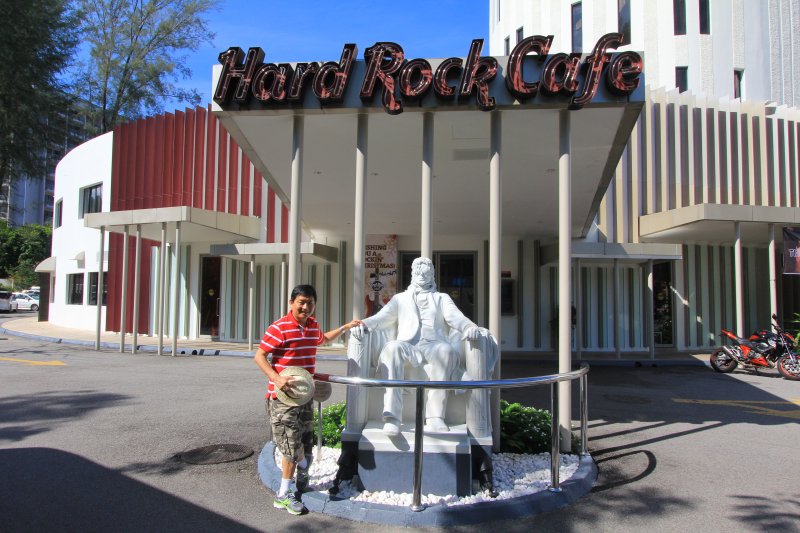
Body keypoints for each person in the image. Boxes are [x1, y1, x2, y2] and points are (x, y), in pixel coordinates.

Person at [351, 257, 490, 436]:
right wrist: (363, 324)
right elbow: (381, 318)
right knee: (392, 349)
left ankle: (435, 416)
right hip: (407, 345)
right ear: (412, 275)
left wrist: (470, 327)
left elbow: (456, 318)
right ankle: (392, 417)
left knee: (446, 351)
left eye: (426, 273)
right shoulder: (400, 299)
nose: (422, 276)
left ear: (432, 274)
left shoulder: (442, 298)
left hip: (434, 345)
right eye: (418, 273)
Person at [254, 284, 361, 515]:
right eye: (301, 302)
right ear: (291, 303)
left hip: (304, 397)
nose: (305, 307)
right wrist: (276, 378)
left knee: (305, 441)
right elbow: (259, 355)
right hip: (282, 399)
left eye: (310, 303)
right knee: (291, 448)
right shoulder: (279, 328)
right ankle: (283, 495)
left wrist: (345, 327)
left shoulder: (312, 326)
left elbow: (322, 339)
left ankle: (302, 470)